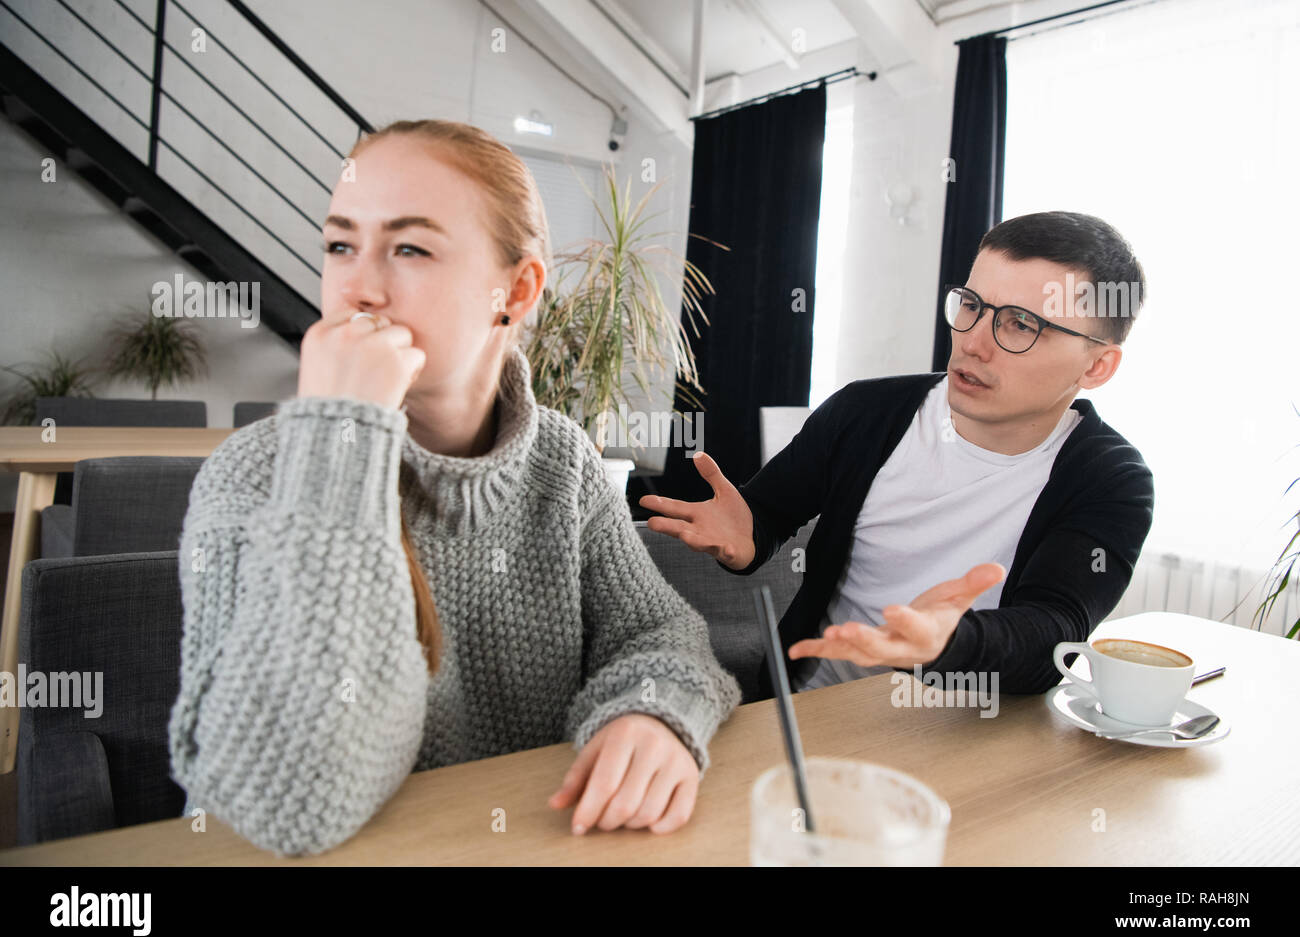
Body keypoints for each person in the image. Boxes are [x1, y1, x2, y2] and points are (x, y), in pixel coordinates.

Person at [167, 119, 741, 857]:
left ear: (518, 288)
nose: (358, 286)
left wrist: (653, 715)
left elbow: (660, 636)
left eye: (409, 248)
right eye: (340, 245)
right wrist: (342, 434)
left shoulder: (562, 464)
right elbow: (292, 802)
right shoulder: (257, 473)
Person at [642, 211, 1155, 697]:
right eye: (972, 305)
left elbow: (1055, 634)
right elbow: (767, 516)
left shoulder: (1110, 479)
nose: (973, 342)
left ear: (1097, 367)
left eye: (1021, 324)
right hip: (812, 708)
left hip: (976, 732)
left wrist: (948, 639)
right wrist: (747, 534)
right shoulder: (866, 412)